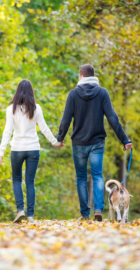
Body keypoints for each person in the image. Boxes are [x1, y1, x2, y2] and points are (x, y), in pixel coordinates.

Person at [57, 64, 132, 221]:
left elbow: (66, 119)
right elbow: (112, 118)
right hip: (97, 142)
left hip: (78, 143)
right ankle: (98, 209)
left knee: (81, 178)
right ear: (93, 76)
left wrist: (60, 138)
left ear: (81, 76)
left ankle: (85, 213)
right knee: (97, 175)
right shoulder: (102, 93)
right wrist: (124, 139)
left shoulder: (73, 94)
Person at [0, 79, 61, 223]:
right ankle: (30, 216)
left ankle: (20, 210)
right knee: (30, 182)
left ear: (17, 91)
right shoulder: (36, 108)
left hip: (17, 149)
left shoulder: (11, 109)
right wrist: (55, 142)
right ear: (31, 92)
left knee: (16, 179)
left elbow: (7, 131)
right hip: (33, 148)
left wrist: (1, 151)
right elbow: (44, 128)